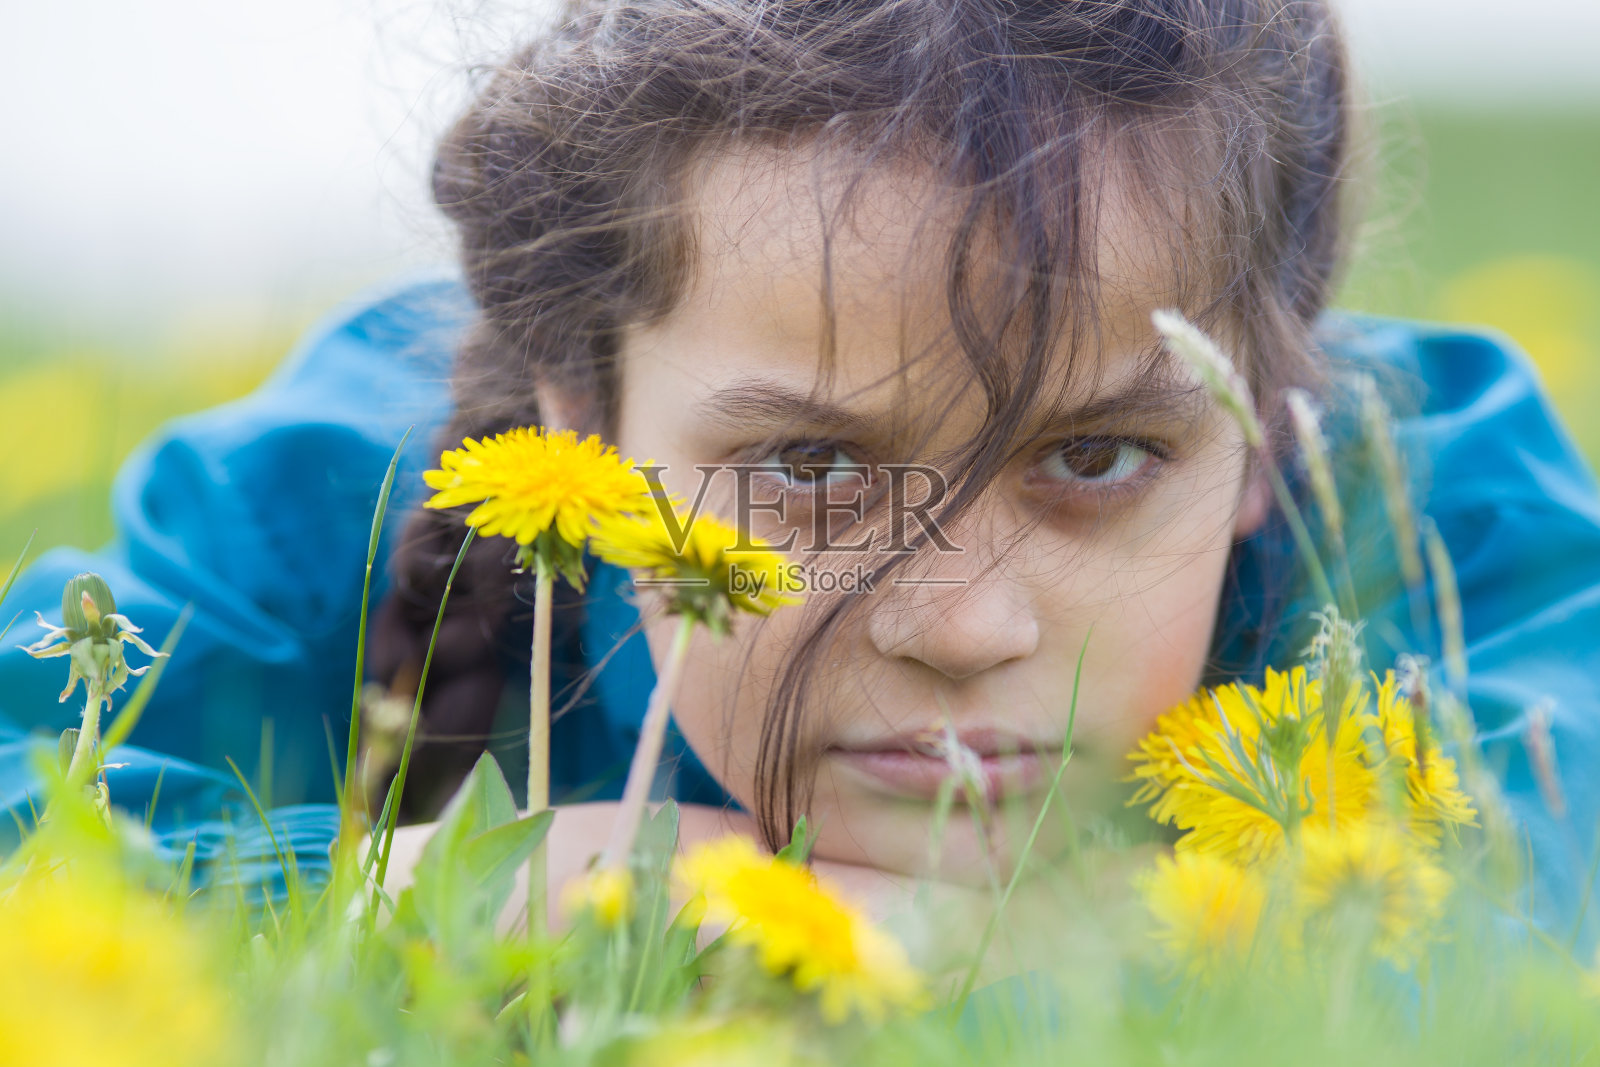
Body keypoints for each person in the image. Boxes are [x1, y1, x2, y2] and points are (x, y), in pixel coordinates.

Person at [2, 0, 1598, 943]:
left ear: (1263, 415)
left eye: (1097, 457)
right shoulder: (348, 492)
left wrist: (1034, 941)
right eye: (814, 468)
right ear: (585, 414)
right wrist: (477, 886)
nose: (965, 627)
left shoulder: (1426, 514)